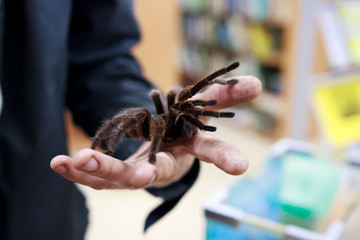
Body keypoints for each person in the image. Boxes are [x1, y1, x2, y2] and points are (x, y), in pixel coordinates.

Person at [0, 0, 261, 239]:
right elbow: (143, 122)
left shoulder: (176, 113)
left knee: (172, 96)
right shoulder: (150, 124)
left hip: (38, 214)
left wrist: (147, 153)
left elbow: (102, 58)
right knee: (137, 117)